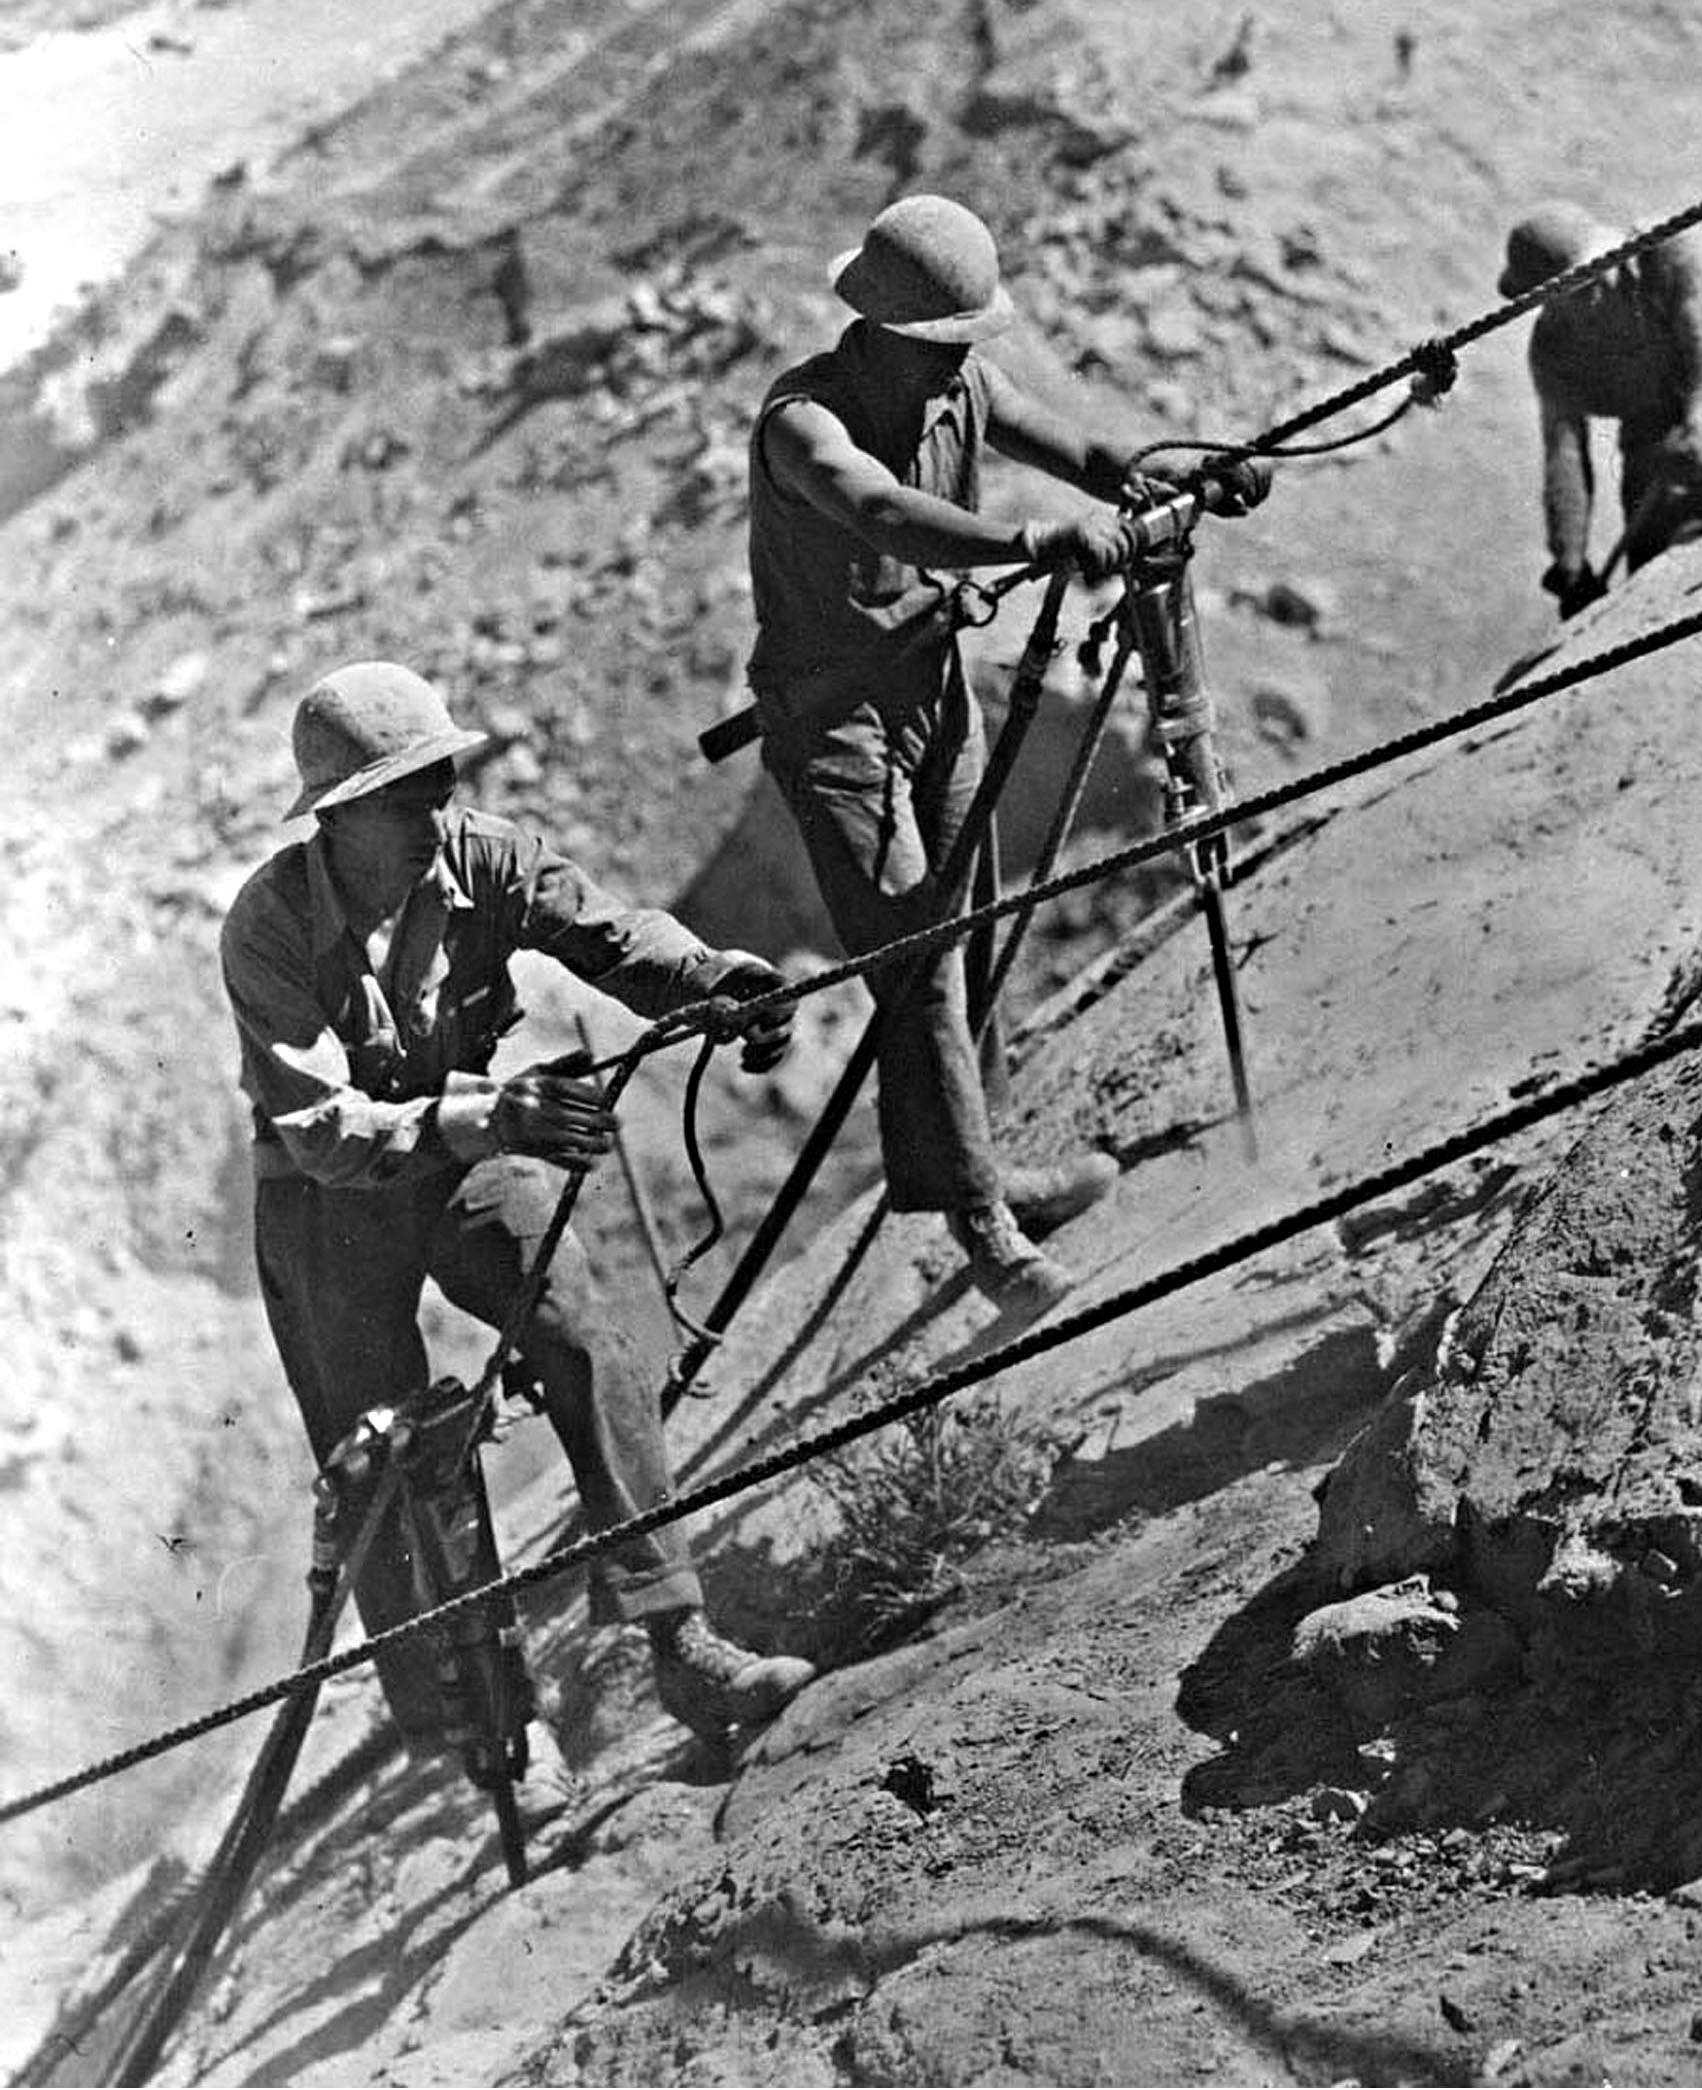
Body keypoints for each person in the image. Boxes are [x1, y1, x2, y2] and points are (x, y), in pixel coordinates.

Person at [220, 660, 816, 1762]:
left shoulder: (482, 856)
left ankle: (679, 1638)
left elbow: (609, 932)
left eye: (443, 783)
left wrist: (712, 980)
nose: (435, 815)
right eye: (409, 797)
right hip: (325, 1205)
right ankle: (487, 1737)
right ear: (340, 818)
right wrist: (489, 1116)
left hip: (465, 1155)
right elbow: (321, 1130)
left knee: (580, 1325)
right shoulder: (267, 927)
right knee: (381, 1459)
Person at [744, 192, 1266, 1318]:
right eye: (942, 345)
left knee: (970, 931)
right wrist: (1027, 540)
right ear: (880, 332)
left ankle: (978, 1167)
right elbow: (873, 509)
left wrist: (1174, 472)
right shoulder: (804, 419)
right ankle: (979, 1219)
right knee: (917, 952)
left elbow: (1074, 447)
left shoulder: (959, 391)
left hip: (931, 695)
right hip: (836, 728)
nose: (960, 365)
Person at [1498, 201, 1702, 619]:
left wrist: (1697, 433)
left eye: (1592, 278)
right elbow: (1565, 455)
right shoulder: (1553, 350)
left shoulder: (1670, 248)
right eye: (1572, 295)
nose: (1591, 297)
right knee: (1659, 604)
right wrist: (1571, 561)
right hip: (1654, 464)